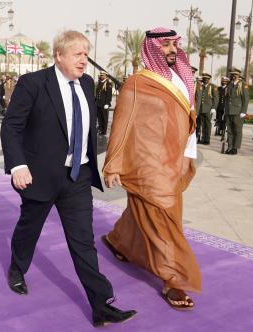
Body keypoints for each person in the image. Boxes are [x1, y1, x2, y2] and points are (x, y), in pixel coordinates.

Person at [0, 30, 136, 327]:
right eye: (78, 54)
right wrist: (18, 165)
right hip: (40, 176)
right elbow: (11, 127)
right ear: (59, 56)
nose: (84, 61)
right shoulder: (33, 83)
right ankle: (16, 268)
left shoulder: (87, 84)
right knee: (29, 229)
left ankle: (101, 306)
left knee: (83, 242)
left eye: (86, 54)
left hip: (77, 178)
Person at [102, 27, 200, 311]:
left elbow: (188, 119)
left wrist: (187, 155)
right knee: (165, 217)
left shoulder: (182, 79)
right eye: (165, 45)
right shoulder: (137, 83)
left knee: (147, 210)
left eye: (174, 44)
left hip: (174, 159)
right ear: (152, 48)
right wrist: (113, 165)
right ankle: (173, 279)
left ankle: (119, 241)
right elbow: (122, 124)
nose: (171, 50)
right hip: (147, 163)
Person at [224, 68, 249, 155]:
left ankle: (235, 148)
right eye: (232, 74)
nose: (233, 76)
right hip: (229, 111)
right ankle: (230, 147)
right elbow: (227, 99)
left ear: (239, 75)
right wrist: (225, 110)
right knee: (230, 130)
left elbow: (245, 99)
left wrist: (243, 111)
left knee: (237, 131)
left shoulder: (243, 85)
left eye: (235, 75)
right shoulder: (229, 85)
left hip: (238, 112)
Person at [195, 73, 218, 145]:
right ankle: (202, 138)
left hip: (208, 109)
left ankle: (207, 140)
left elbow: (216, 98)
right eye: (204, 79)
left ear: (209, 79)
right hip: (201, 109)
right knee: (202, 124)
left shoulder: (213, 87)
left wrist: (214, 107)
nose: (205, 80)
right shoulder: (201, 86)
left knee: (207, 125)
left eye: (207, 79)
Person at [95, 71, 113, 135]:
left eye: (103, 75)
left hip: (104, 104)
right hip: (98, 104)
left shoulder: (108, 84)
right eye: (101, 75)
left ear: (106, 76)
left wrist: (107, 103)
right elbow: (97, 94)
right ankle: (100, 129)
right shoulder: (99, 83)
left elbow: (109, 95)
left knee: (104, 118)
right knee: (99, 118)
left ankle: (104, 131)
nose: (101, 76)